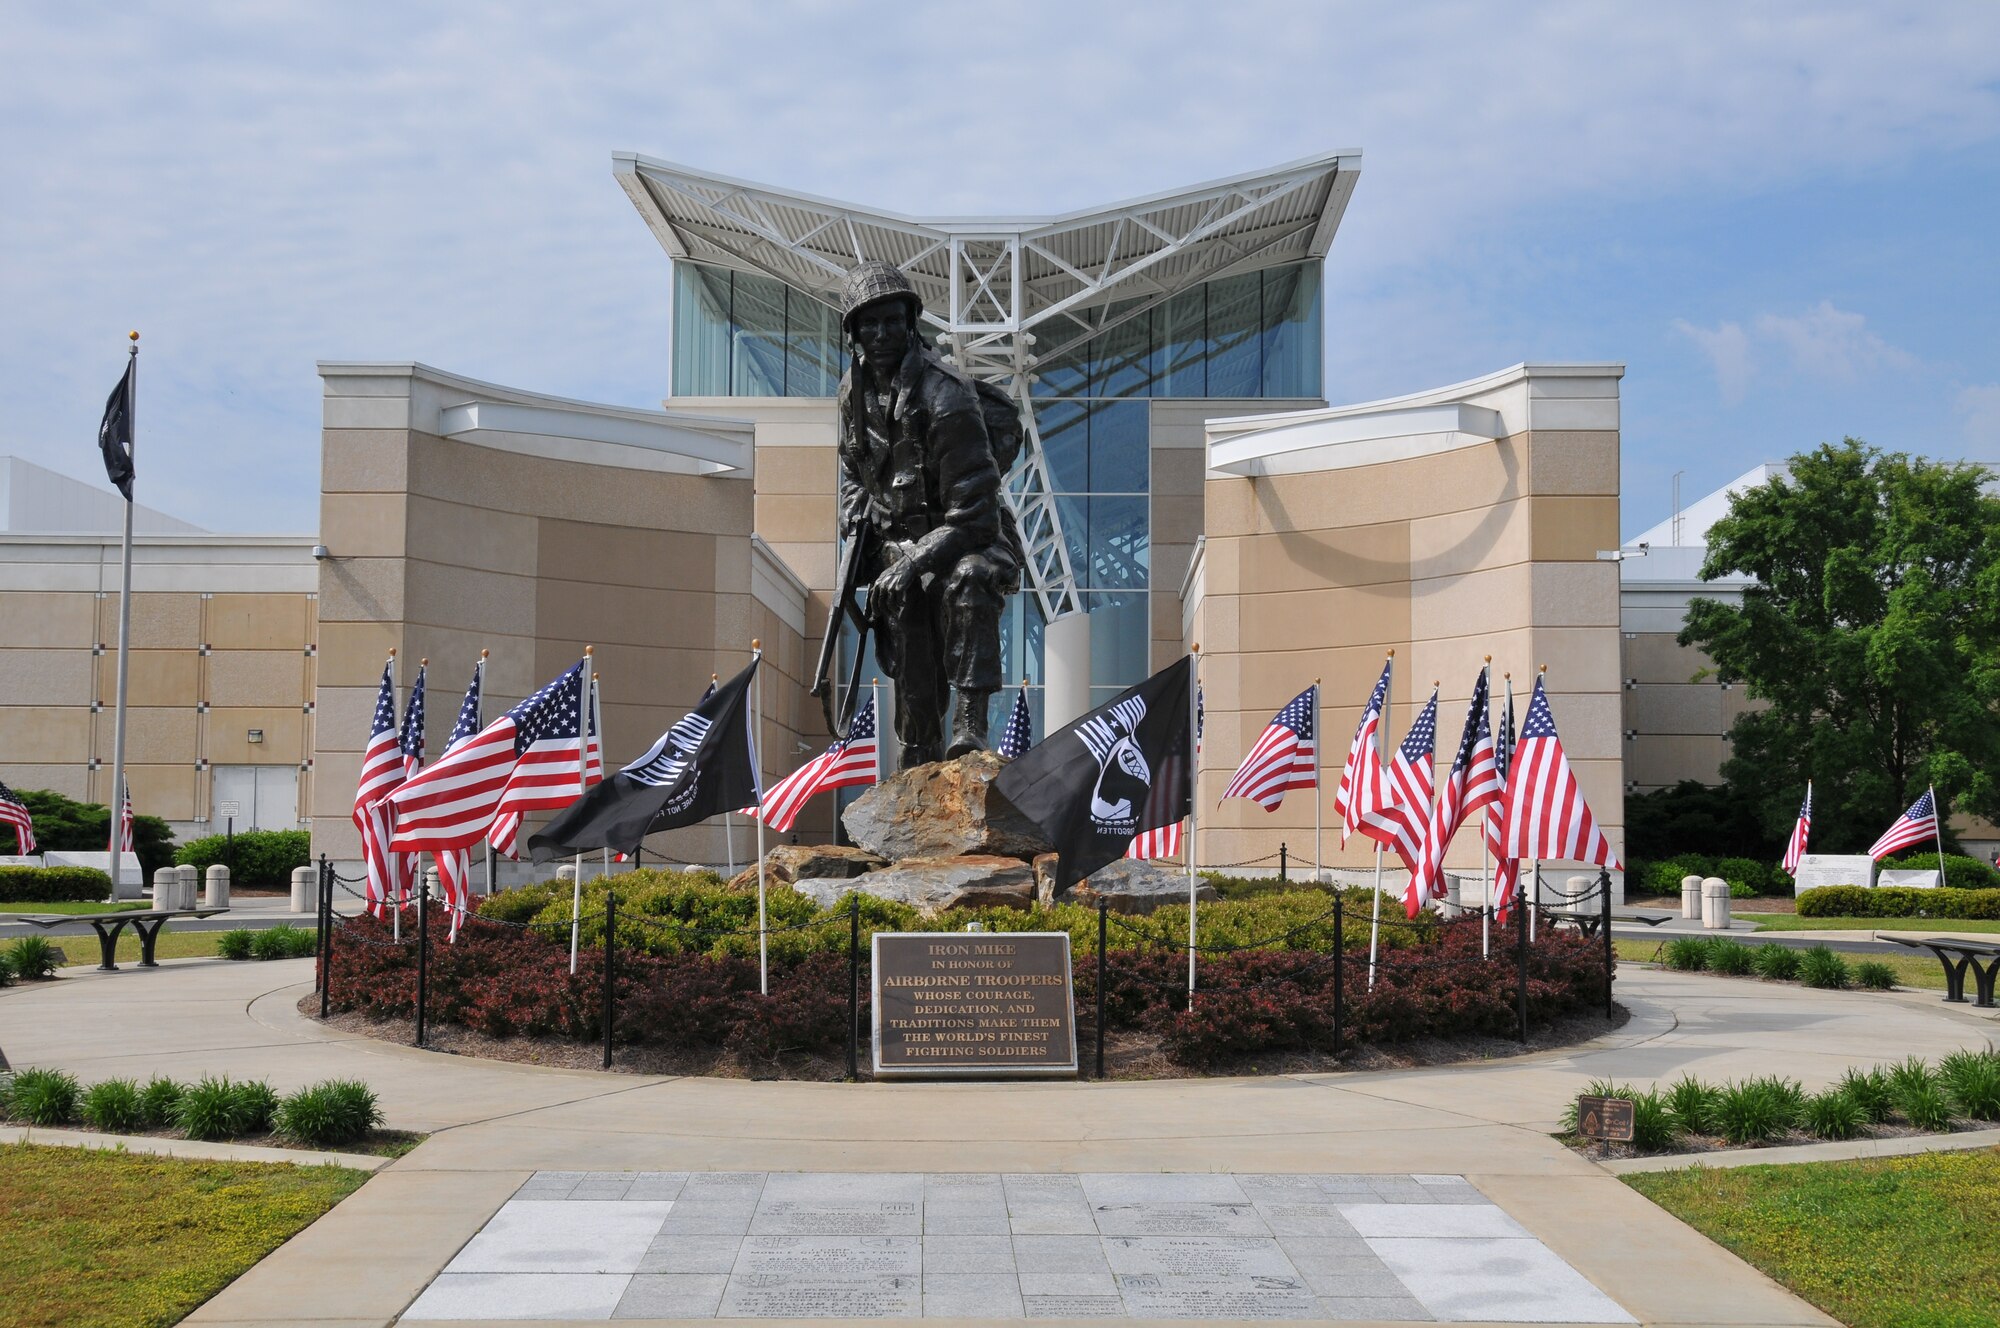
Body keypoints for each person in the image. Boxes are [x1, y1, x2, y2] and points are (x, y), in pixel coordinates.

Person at [835, 261, 1021, 766]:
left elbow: (976, 514)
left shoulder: (946, 393)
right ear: (852, 331)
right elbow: (854, 469)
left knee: (969, 581)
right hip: (899, 542)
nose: (881, 333)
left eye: (892, 320)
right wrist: (856, 512)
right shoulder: (851, 394)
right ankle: (918, 748)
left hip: (966, 538)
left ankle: (968, 726)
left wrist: (915, 562)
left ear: (910, 321)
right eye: (868, 323)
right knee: (906, 619)